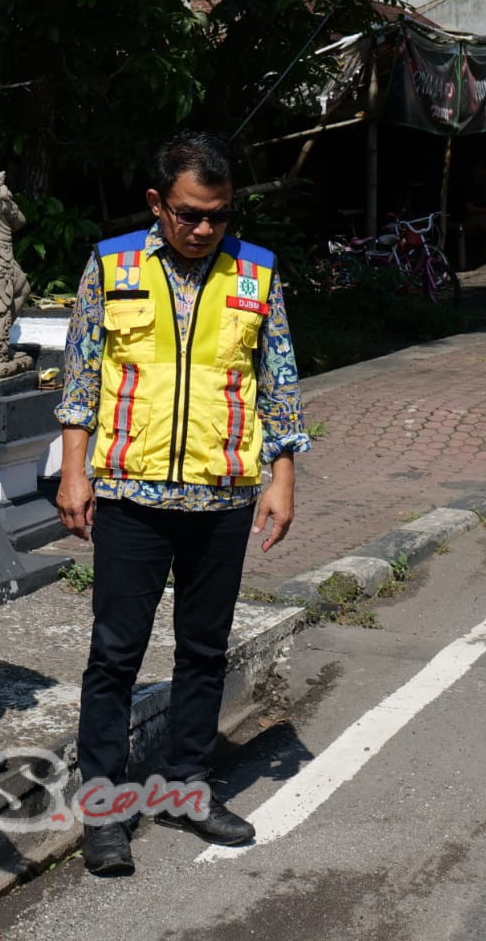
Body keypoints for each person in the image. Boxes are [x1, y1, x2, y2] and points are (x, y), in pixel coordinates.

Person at [53, 130, 309, 875]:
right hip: (130, 493)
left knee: (204, 650)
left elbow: (279, 380)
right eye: (190, 214)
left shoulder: (257, 272)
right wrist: (76, 473)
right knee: (115, 654)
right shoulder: (112, 264)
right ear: (157, 203)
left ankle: (188, 787)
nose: (203, 230)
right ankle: (104, 807)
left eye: (219, 216)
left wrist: (282, 476)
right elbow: (81, 378)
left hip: (222, 491)